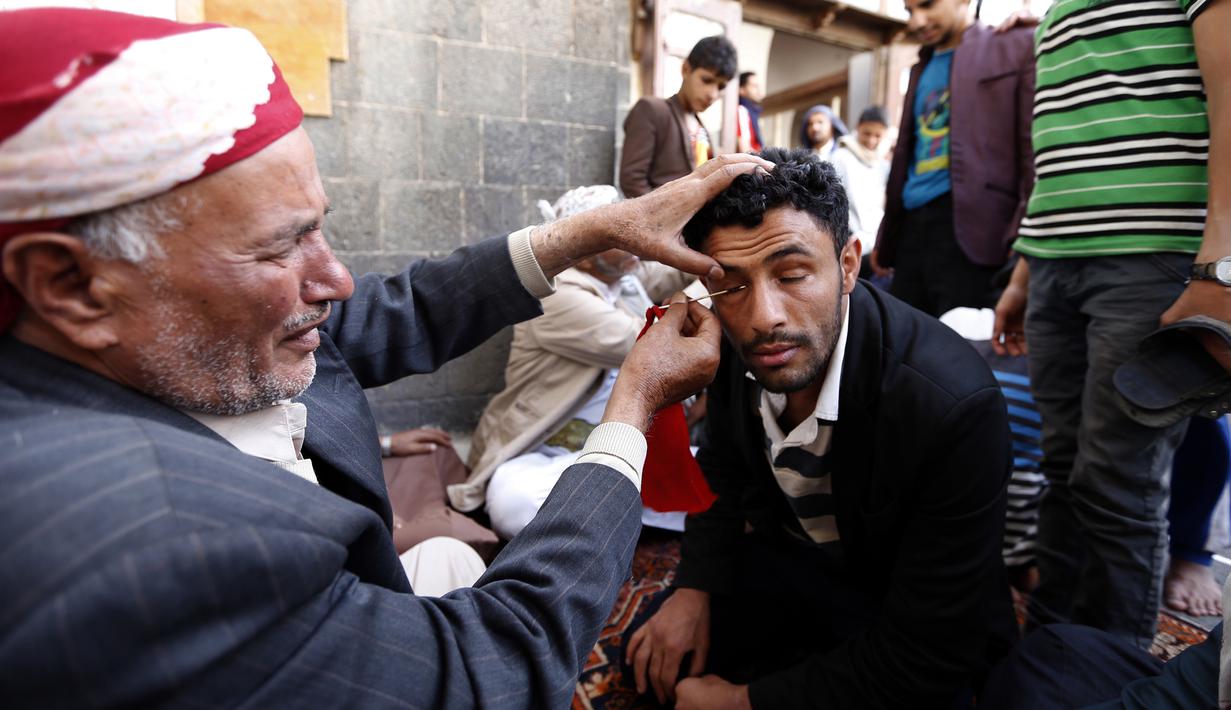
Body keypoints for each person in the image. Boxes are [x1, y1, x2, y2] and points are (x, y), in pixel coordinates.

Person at [0, 8, 772, 707]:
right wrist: (633, 407)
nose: (333, 278)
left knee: (449, 562)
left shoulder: (165, 329)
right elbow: (490, 664)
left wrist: (590, 231)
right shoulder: (149, 545)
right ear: (69, 284)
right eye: (282, 244)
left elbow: (394, 309)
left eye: (319, 228)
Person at [624, 148, 1016, 709]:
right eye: (732, 285)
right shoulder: (737, 347)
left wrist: (743, 704)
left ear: (849, 265)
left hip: (909, 615)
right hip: (806, 575)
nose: (765, 317)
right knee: (653, 668)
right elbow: (724, 467)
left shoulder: (953, 406)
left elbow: (930, 645)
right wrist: (694, 587)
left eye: (792, 274)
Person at [993, 0, 1231, 650]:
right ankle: (1052, 644)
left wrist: (1219, 265)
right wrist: (1022, 272)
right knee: (1062, 465)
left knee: (1117, 478)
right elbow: (1059, 147)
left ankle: (1107, 666)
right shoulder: (1053, 12)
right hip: (1052, 265)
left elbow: (1228, 94)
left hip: (1149, 253)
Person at [456, 185, 695, 538]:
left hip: (625, 445)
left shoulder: (620, 272)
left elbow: (671, 273)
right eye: (620, 234)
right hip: (546, 453)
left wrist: (706, 253)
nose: (636, 241)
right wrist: (707, 294)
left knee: (727, 480)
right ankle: (626, 513)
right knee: (514, 504)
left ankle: (606, 516)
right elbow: (648, 342)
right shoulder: (555, 294)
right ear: (582, 252)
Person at [872, 0, 1035, 317]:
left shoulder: (1012, 45)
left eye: (927, 5)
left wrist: (1023, 235)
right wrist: (888, 234)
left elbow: (1032, 155)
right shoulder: (922, 65)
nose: (917, 21)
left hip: (976, 232)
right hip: (911, 230)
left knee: (963, 351)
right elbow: (906, 156)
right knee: (907, 351)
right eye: (909, 11)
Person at [620, 35, 738, 197]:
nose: (713, 94)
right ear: (686, 69)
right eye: (707, 80)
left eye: (721, 86)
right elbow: (632, 180)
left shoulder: (703, 129)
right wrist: (663, 219)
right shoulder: (652, 110)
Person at [830, 105, 890, 260]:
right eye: (867, 133)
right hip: (847, 242)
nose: (871, 140)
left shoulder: (883, 165)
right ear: (858, 128)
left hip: (874, 246)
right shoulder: (840, 157)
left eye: (878, 135)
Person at [736, 71, 764, 153]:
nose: (759, 90)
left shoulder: (753, 113)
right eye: (754, 86)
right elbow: (744, 149)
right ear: (741, 89)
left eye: (759, 86)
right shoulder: (741, 111)